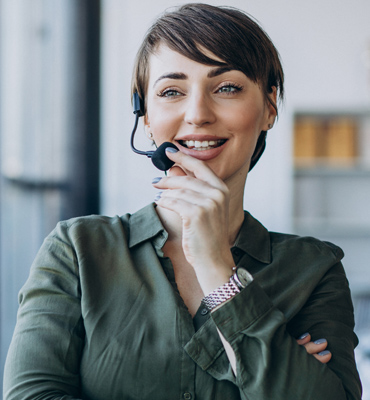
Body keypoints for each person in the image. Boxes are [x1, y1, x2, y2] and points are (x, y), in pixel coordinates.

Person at [3, 3, 362, 400]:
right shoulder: (78, 249)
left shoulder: (313, 268)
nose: (197, 114)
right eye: (171, 91)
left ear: (270, 107)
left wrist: (217, 269)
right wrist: (266, 363)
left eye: (227, 87)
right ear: (145, 116)